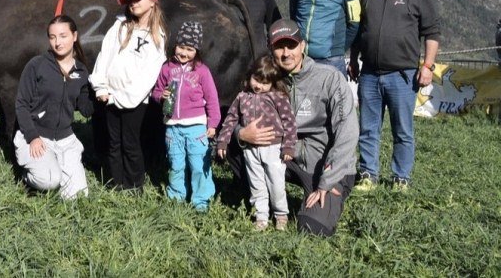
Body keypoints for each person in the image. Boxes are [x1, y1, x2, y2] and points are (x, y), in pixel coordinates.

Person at [227, 19, 358, 237]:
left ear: (302, 46)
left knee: (312, 228)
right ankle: (262, 198)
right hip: (284, 155)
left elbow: (348, 132)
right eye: (279, 47)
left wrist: (329, 179)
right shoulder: (266, 78)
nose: (286, 53)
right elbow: (235, 113)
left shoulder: (330, 79)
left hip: (323, 164)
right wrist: (241, 133)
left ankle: (327, 196)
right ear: (271, 49)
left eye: (292, 45)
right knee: (233, 147)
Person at [348, 0, 441, 191]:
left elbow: (431, 33)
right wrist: (353, 58)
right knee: (368, 128)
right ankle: (368, 174)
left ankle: (401, 178)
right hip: (368, 74)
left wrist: (428, 66)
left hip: (403, 76)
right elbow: (358, 30)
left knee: (402, 130)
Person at [90, 0, 167, 190]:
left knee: (131, 143)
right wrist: (100, 86)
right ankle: (116, 183)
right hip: (109, 95)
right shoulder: (120, 27)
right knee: (113, 143)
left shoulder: (156, 38)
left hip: (134, 100)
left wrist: (123, 97)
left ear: (152, 2)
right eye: (130, 0)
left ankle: (134, 186)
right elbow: (104, 56)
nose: (133, 3)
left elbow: (148, 76)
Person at [14, 15, 94, 199]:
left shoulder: (81, 71)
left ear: (74, 36)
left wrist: (100, 96)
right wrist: (32, 137)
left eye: (63, 36)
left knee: (78, 196)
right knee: (49, 180)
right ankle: (28, 178)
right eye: (52, 37)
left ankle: (56, 165)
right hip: (37, 135)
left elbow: (85, 109)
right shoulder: (37, 65)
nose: (58, 42)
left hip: (66, 140)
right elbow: (22, 104)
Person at [217, 55, 297, 230]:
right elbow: (230, 119)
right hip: (250, 150)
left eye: (265, 83)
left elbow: (289, 122)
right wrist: (222, 141)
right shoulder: (242, 97)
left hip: (273, 148)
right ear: (250, 76)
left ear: (273, 83)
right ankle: (261, 216)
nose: (259, 86)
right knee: (257, 183)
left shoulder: (278, 97)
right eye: (256, 79)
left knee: (276, 183)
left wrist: (289, 145)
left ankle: (281, 214)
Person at [152, 21, 220, 211]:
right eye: (181, 47)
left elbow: (212, 99)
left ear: (197, 51)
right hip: (172, 127)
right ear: (175, 45)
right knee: (176, 164)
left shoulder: (202, 71)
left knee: (199, 165)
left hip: (196, 128)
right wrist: (160, 96)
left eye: (190, 49)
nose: (184, 53)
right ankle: (176, 197)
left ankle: (201, 201)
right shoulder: (166, 68)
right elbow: (156, 92)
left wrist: (213, 123)